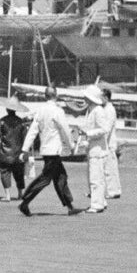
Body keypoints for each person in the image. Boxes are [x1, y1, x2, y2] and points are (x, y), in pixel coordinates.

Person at [18, 87, 78, 216]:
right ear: (55, 95)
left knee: (61, 177)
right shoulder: (58, 111)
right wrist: (71, 145)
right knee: (45, 179)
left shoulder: (40, 111)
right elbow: (65, 130)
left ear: (45, 96)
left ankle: (70, 206)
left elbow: (33, 130)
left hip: (46, 150)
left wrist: (24, 149)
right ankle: (25, 201)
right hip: (54, 151)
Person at [73, 84, 114, 213]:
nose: (84, 98)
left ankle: (97, 205)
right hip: (93, 148)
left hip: (98, 150)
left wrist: (88, 133)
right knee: (95, 177)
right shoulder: (92, 110)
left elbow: (104, 129)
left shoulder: (98, 111)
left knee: (96, 178)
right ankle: (101, 201)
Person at [0, 104, 29, 201]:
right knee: (19, 173)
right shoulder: (21, 122)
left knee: (5, 172)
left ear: (7, 109)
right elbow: (25, 137)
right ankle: (20, 194)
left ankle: (8, 195)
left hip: (5, 152)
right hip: (18, 152)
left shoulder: (2, 121)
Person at [100, 86, 122, 199]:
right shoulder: (105, 109)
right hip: (106, 143)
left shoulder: (109, 110)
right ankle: (110, 190)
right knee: (107, 168)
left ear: (106, 97)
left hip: (109, 143)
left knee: (110, 168)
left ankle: (113, 191)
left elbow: (107, 128)